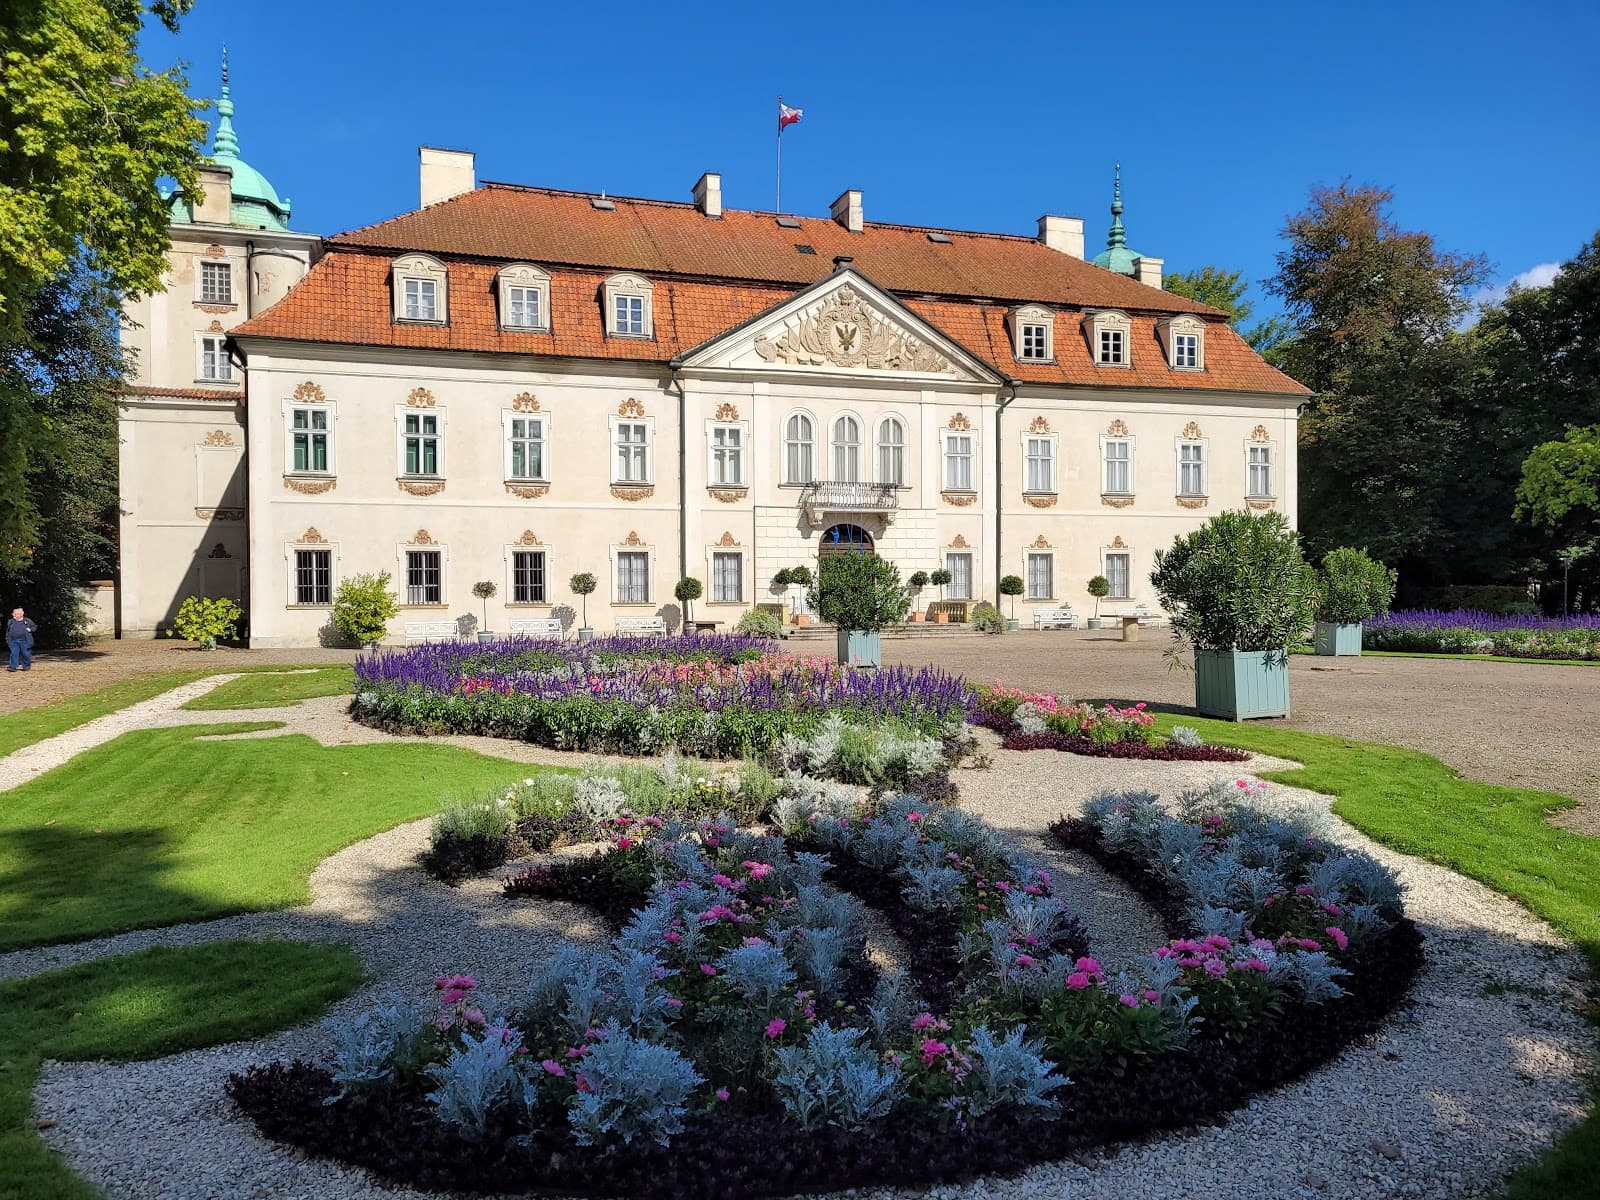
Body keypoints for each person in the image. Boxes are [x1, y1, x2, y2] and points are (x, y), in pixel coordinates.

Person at [7, 608, 37, 672]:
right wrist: (8, 639)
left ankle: (26, 666)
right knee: (14, 654)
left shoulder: (27, 621)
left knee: (26, 654)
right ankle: (12, 667)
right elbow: (8, 631)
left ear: (21, 614)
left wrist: (30, 629)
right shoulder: (10, 621)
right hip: (14, 641)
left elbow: (34, 626)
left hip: (25, 641)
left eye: (15, 614)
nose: (13, 615)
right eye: (13, 613)